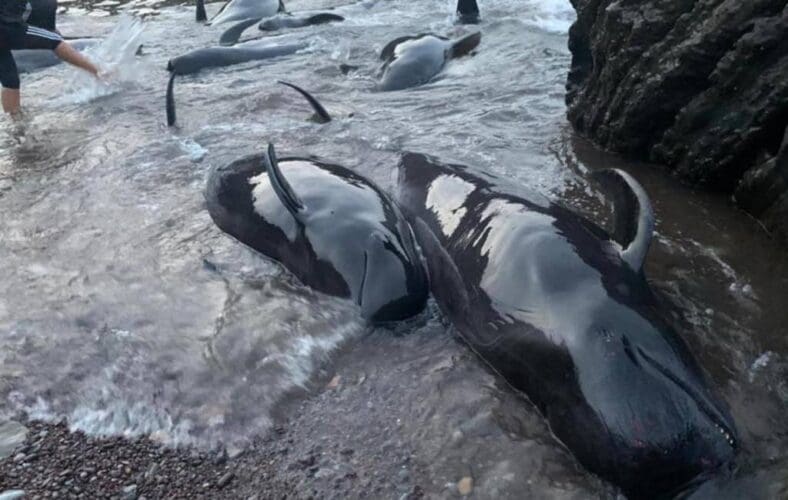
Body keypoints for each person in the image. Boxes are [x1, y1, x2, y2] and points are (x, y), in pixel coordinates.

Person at [0, 0, 103, 115]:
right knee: (55, 41)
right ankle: (100, 73)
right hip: (7, 29)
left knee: (10, 80)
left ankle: (16, 123)